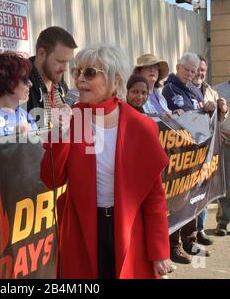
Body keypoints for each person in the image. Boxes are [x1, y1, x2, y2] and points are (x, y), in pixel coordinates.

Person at [41, 43, 172, 279]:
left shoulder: (139, 126)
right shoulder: (74, 119)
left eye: (89, 72)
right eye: (77, 71)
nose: (79, 79)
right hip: (81, 232)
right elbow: (52, 180)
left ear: (116, 81)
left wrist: (159, 251)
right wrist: (60, 135)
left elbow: (153, 198)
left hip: (128, 232)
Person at [163, 52, 208, 264]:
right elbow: (183, 118)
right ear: (178, 66)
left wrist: (210, 109)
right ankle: (175, 245)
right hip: (179, 156)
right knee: (178, 201)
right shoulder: (170, 88)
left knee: (193, 198)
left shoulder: (193, 89)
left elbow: (198, 113)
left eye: (193, 70)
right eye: (186, 69)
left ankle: (190, 240)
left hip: (195, 154)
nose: (190, 74)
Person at [189, 55, 228, 245]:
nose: (200, 73)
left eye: (203, 69)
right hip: (196, 148)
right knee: (194, 191)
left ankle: (201, 228)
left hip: (210, 147)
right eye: (197, 69)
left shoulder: (211, 91)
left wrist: (223, 110)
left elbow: (219, 118)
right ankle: (194, 232)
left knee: (206, 187)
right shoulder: (183, 90)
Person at [27, 26, 77, 127]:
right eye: (60, 61)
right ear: (41, 53)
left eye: (67, 61)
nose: (65, 68)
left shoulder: (57, 77)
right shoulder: (21, 83)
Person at [214, 74, 230, 236]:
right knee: (226, 185)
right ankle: (223, 222)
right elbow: (211, 117)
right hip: (226, 143)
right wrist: (218, 131)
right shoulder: (218, 90)